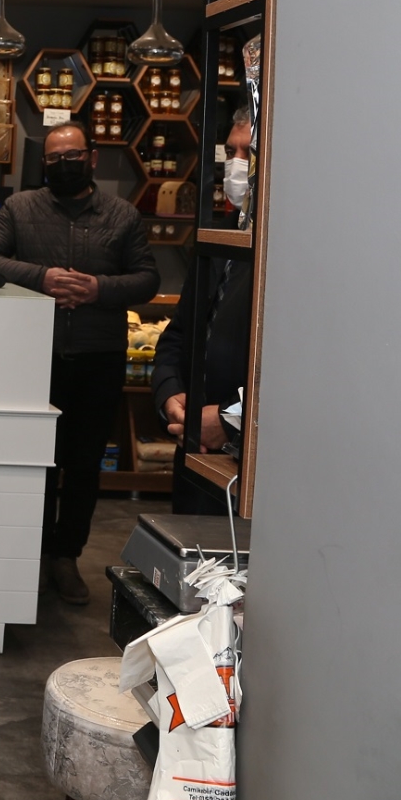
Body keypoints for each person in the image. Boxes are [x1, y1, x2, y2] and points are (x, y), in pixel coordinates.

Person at [0, 121, 158, 605]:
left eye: (72, 156)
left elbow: (147, 279)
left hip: (99, 357)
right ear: (44, 163)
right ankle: (27, 555)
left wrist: (98, 288)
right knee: (35, 460)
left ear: (92, 158)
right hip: (35, 358)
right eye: (54, 158)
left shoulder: (122, 214)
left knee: (82, 465)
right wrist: (43, 278)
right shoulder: (21, 208)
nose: (63, 164)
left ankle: (65, 556)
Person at [154, 108, 255, 514]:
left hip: (249, 461)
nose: (237, 164)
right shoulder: (220, 234)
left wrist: (230, 419)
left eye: (249, 153)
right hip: (195, 453)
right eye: (231, 152)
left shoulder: (293, 245)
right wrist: (171, 395)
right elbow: (180, 333)